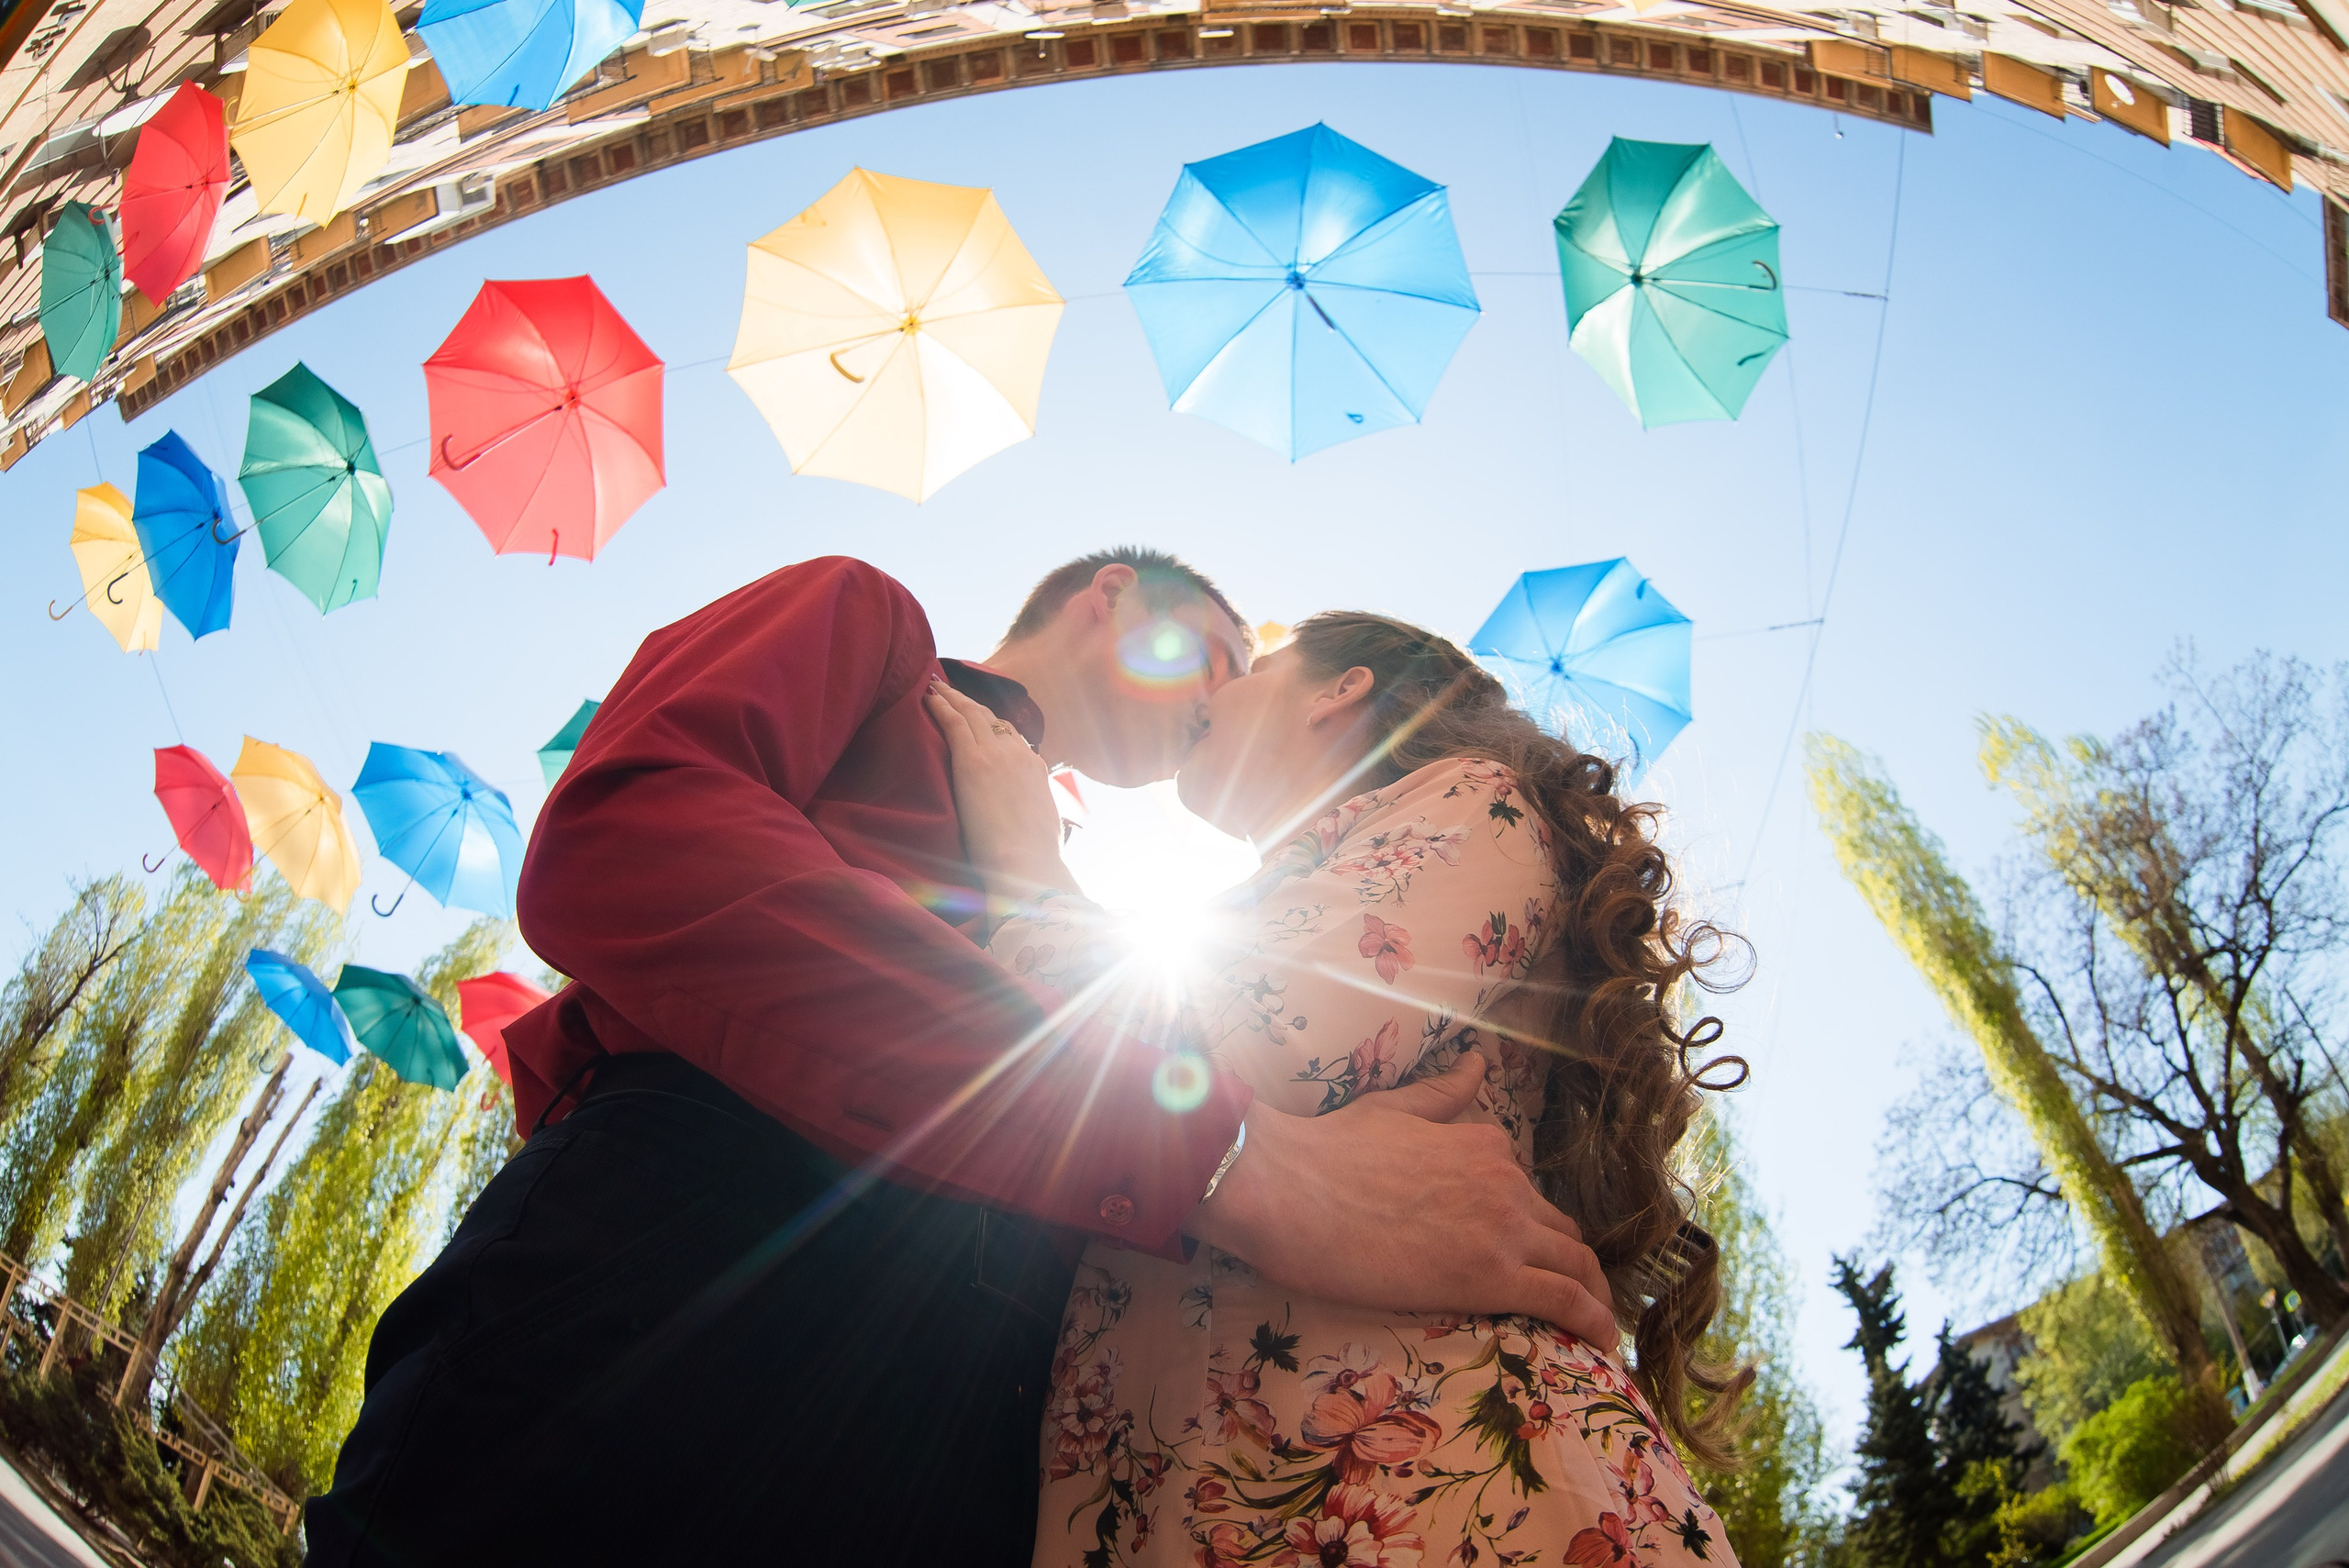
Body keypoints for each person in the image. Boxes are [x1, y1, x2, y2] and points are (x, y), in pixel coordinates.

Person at [306, 551, 1617, 1568]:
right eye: (1212, 651)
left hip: (962, 1444)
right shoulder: (870, 626)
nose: (1224, 694)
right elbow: (630, 839)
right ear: (1114, 599)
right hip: (675, 1303)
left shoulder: (1070, 889)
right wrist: (1210, 1152)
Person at [923, 610, 1752, 1568]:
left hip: (1440, 1477)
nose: (1207, 693)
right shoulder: (1283, 892)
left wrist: (1026, 866)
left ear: (1338, 688)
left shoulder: (1477, 801)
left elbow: (1252, 1044)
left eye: (1250, 667)